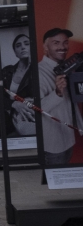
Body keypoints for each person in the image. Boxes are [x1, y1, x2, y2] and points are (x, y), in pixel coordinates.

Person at [38, 28, 83, 165]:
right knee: (53, 184)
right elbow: (35, 109)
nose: (62, 47)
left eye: (65, 42)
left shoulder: (68, 68)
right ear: (45, 47)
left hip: (69, 138)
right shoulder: (38, 72)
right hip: (52, 145)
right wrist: (57, 92)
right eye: (56, 43)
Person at [0, 34, 35, 137]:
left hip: (30, 117)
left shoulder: (39, 69)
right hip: (9, 116)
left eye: (27, 44)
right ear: (15, 53)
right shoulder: (6, 71)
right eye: (18, 45)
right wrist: (14, 104)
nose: (23, 47)